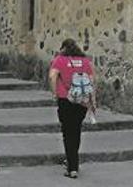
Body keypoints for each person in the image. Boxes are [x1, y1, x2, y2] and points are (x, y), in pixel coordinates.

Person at [49, 39, 96, 179]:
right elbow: (92, 81)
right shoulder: (85, 61)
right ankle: (73, 160)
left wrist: (54, 93)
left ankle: (72, 167)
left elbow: (52, 76)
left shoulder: (60, 60)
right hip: (82, 100)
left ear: (63, 48)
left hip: (66, 99)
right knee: (76, 130)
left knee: (67, 132)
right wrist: (93, 101)